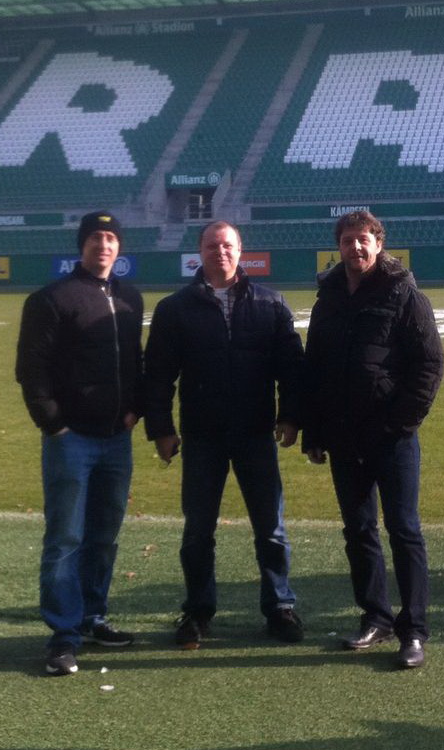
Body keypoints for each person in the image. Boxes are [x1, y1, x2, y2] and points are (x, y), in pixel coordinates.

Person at [144, 221, 306, 648]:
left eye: (228, 245)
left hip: (256, 433)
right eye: (212, 245)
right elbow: (158, 375)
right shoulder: (174, 309)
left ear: (240, 250)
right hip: (202, 436)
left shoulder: (270, 303)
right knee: (198, 531)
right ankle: (198, 611)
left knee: (271, 529)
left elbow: (291, 368)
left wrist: (290, 417)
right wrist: (161, 429)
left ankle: (280, 607)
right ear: (199, 252)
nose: (221, 252)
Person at [303, 210, 444, 669]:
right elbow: (315, 367)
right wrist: (314, 431)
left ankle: (414, 629)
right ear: (339, 246)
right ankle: (375, 617)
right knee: (359, 530)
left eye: (364, 239)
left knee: (404, 530)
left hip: (391, 437)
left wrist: (400, 423)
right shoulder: (328, 297)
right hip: (343, 436)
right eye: (348, 240)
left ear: (379, 244)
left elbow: (429, 363)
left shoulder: (404, 293)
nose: (356, 247)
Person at [15, 210, 144, 675]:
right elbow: (31, 369)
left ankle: (93, 617)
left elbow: (134, 361)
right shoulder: (51, 299)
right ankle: (63, 635)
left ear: (119, 246)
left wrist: (135, 408)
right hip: (72, 440)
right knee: (66, 538)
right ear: (82, 244)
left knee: (103, 536)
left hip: (116, 440)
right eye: (95, 237)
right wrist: (54, 424)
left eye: (110, 237)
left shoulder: (129, 298)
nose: (103, 244)